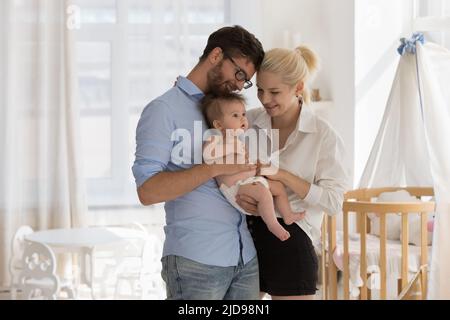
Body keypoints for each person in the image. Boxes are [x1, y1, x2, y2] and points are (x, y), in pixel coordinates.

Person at [132, 25, 265, 300]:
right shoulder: (163, 110)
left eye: (246, 80)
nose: (240, 84)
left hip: (245, 258)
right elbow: (148, 190)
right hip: (196, 262)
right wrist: (214, 168)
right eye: (239, 73)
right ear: (216, 55)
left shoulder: (233, 110)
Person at [236, 45, 350, 300]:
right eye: (260, 91)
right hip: (244, 240)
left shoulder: (324, 135)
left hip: (291, 241)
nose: (265, 100)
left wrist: (284, 176)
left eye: (274, 92)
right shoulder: (247, 122)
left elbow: (334, 202)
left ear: (298, 88)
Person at [201, 93, 306, 241]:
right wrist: (231, 148)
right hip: (235, 187)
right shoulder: (216, 138)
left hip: (250, 181)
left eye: (243, 114)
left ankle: (287, 215)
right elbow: (207, 154)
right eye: (236, 115)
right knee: (264, 194)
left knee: (278, 187)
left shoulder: (239, 138)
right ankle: (273, 224)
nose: (243, 119)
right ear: (218, 125)